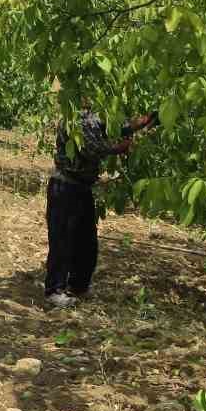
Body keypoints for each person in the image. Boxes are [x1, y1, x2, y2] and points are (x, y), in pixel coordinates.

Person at [44, 103, 155, 308]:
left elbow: (117, 126)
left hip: (82, 187)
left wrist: (144, 121)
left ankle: (79, 286)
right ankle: (54, 290)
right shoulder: (75, 118)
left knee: (87, 241)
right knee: (62, 240)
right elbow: (91, 149)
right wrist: (118, 148)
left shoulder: (95, 116)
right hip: (65, 186)